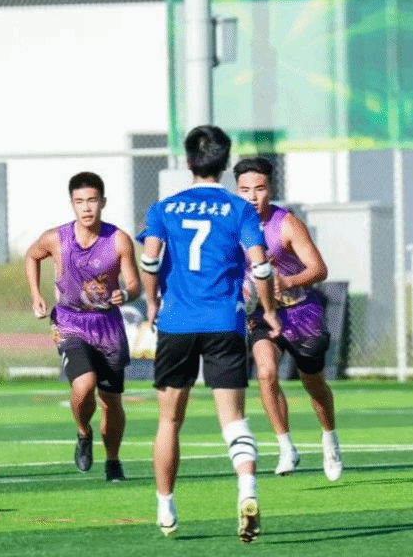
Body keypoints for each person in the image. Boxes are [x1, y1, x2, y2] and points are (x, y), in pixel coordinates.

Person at [137, 125, 281, 542]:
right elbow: (261, 267)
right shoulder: (239, 209)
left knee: (169, 420)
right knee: (233, 419)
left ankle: (165, 508)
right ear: (225, 161)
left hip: (177, 323)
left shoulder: (163, 208)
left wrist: (152, 303)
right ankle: (247, 490)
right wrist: (270, 311)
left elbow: (150, 262)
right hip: (224, 322)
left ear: (188, 161)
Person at [24, 171, 141, 481]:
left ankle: (113, 461)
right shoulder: (56, 238)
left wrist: (126, 294)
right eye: (80, 201)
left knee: (111, 401)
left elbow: (134, 284)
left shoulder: (118, 240)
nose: (86, 207)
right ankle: (83, 431)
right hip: (70, 322)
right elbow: (32, 257)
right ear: (72, 204)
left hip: (107, 327)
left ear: (103, 202)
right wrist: (36, 295)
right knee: (84, 384)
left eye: (92, 200)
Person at [234, 157, 342, 481]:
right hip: (262, 315)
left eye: (259, 189)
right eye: (245, 190)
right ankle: (286, 447)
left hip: (301, 312)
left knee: (313, 383)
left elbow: (319, 269)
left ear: (271, 189)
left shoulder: (287, 224)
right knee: (266, 373)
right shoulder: (231, 227)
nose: (252, 197)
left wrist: (288, 281)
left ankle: (330, 438)